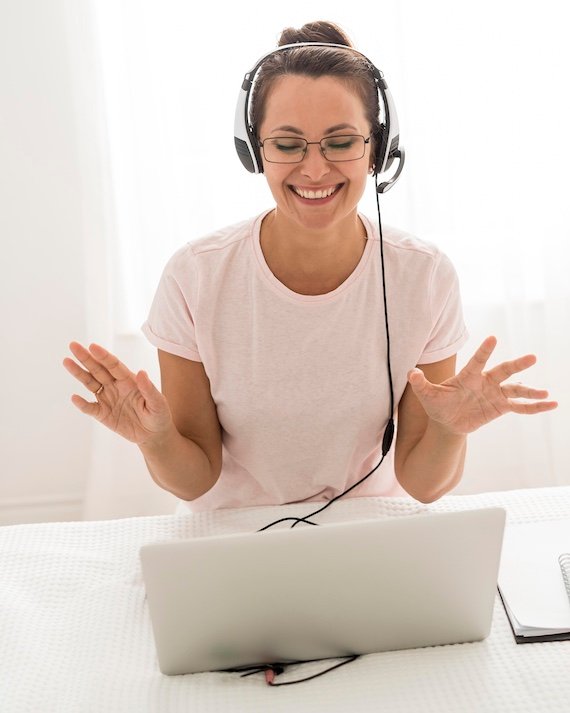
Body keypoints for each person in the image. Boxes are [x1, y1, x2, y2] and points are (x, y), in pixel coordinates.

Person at [64, 20, 557, 513]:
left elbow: (424, 486)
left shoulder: (424, 276)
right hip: (235, 533)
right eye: (287, 144)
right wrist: (155, 439)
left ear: (378, 149)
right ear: (255, 150)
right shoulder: (195, 276)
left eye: (341, 143)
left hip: (371, 529)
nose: (315, 169)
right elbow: (193, 481)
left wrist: (448, 431)